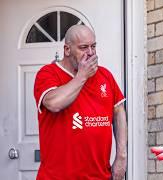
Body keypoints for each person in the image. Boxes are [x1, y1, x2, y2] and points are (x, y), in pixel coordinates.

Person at [34, 25, 127, 180]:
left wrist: (121, 157)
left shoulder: (105, 75)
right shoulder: (48, 73)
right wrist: (82, 76)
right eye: (83, 47)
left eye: (93, 46)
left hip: (100, 176)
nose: (90, 53)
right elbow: (54, 103)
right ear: (67, 50)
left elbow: (118, 110)